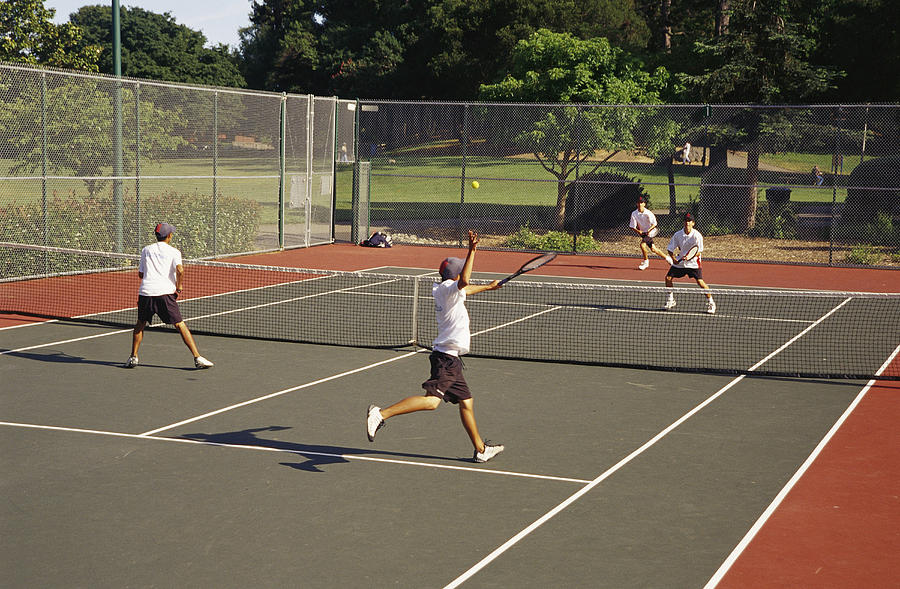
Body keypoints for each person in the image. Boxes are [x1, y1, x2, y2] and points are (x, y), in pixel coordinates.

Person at [366, 230, 505, 463]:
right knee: (431, 402)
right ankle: (380, 414)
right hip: (446, 359)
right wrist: (472, 250)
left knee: (467, 403)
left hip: (451, 359)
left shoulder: (445, 290)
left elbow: (466, 288)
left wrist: (489, 287)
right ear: (455, 275)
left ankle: (481, 449)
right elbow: (465, 283)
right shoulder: (452, 289)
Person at [124, 223, 214, 369]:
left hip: (146, 293)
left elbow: (141, 274)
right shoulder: (174, 252)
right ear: (169, 236)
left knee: (140, 324)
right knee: (180, 324)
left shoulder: (146, 250)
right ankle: (197, 358)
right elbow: (180, 269)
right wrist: (179, 287)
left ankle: (133, 357)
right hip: (164, 294)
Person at [664, 213, 715, 314]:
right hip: (681, 262)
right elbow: (670, 249)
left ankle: (711, 302)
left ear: (693, 223)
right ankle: (671, 299)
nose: (687, 223)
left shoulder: (697, 235)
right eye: (686, 221)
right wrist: (673, 258)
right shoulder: (677, 235)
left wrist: (690, 256)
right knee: (668, 278)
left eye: (689, 221)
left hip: (693, 263)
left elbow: (699, 251)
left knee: (700, 282)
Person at [629, 196, 673, 270]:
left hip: (651, 232)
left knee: (642, 245)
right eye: (639, 203)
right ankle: (668, 258)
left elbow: (654, 224)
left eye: (642, 203)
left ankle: (646, 262)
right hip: (644, 233)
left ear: (644, 204)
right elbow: (632, 226)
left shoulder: (648, 213)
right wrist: (639, 231)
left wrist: (648, 230)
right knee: (653, 249)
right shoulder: (634, 214)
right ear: (637, 204)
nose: (640, 204)